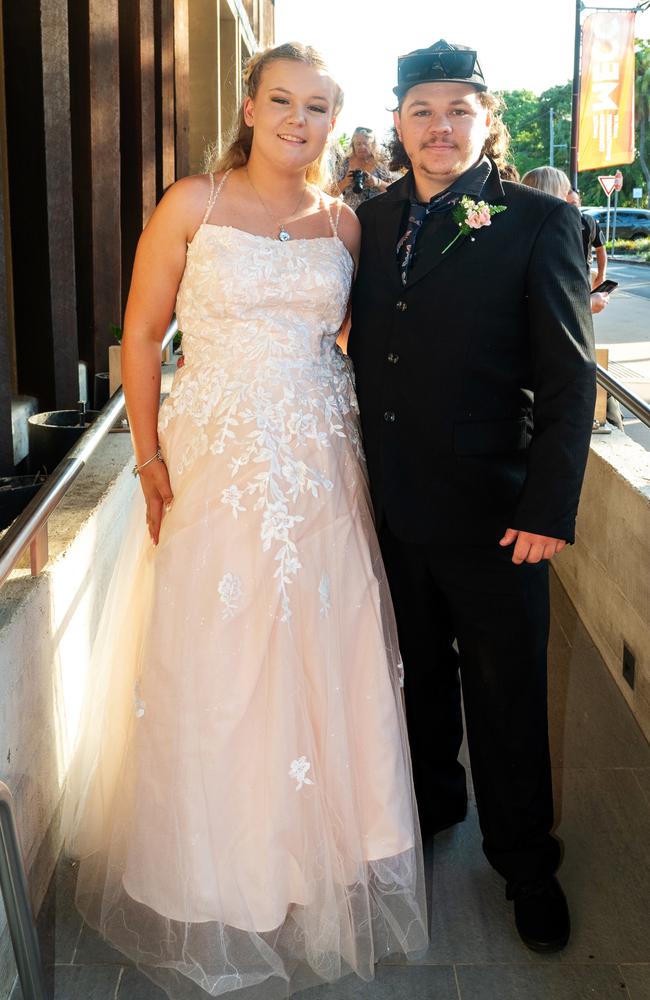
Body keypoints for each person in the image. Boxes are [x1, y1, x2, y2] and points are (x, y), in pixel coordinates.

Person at [63, 41, 427, 999]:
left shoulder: (345, 224)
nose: (297, 121)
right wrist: (145, 456)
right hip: (215, 465)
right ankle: (222, 869)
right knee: (223, 657)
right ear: (250, 106)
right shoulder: (194, 202)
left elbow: (349, 342)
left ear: (333, 119)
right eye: (281, 101)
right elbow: (141, 336)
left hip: (319, 465)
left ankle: (312, 860)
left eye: (317, 107)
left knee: (321, 648)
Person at [348, 39, 595, 954]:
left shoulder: (536, 220)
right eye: (422, 110)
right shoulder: (367, 222)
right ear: (400, 118)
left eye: (458, 110)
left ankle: (526, 864)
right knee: (416, 680)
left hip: (499, 517)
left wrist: (546, 508)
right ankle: (437, 809)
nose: (439, 127)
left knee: (508, 696)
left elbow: (572, 383)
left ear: (487, 118)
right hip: (392, 507)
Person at [521, 168, 609, 314]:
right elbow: (554, 297)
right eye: (563, 193)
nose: (566, 201)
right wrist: (590, 302)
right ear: (551, 194)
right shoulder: (553, 236)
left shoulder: (520, 228)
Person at [336, 126, 394, 209]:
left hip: (376, 215)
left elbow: (394, 191)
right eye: (358, 144)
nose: (362, 147)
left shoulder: (381, 163)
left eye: (366, 144)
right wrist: (346, 181)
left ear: (373, 145)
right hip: (350, 215)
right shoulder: (344, 164)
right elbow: (331, 194)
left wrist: (377, 182)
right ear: (353, 144)